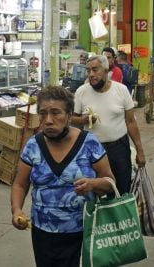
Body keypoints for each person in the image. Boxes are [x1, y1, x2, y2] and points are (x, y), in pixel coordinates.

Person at [11, 86, 115, 267]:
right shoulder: (33, 146)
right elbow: (20, 184)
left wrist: (93, 184)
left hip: (84, 232)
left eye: (56, 113)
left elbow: (109, 181)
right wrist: (17, 210)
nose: (48, 120)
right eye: (43, 114)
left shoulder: (89, 143)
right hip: (43, 233)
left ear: (69, 116)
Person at [72, 54, 146, 194]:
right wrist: (83, 120)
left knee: (122, 189)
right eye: (88, 71)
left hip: (118, 148)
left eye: (95, 70)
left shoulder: (121, 90)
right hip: (91, 151)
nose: (91, 74)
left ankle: (121, 215)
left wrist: (140, 151)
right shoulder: (82, 92)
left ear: (106, 70)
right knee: (94, 191)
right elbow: (71, 119)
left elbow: (131, 122)